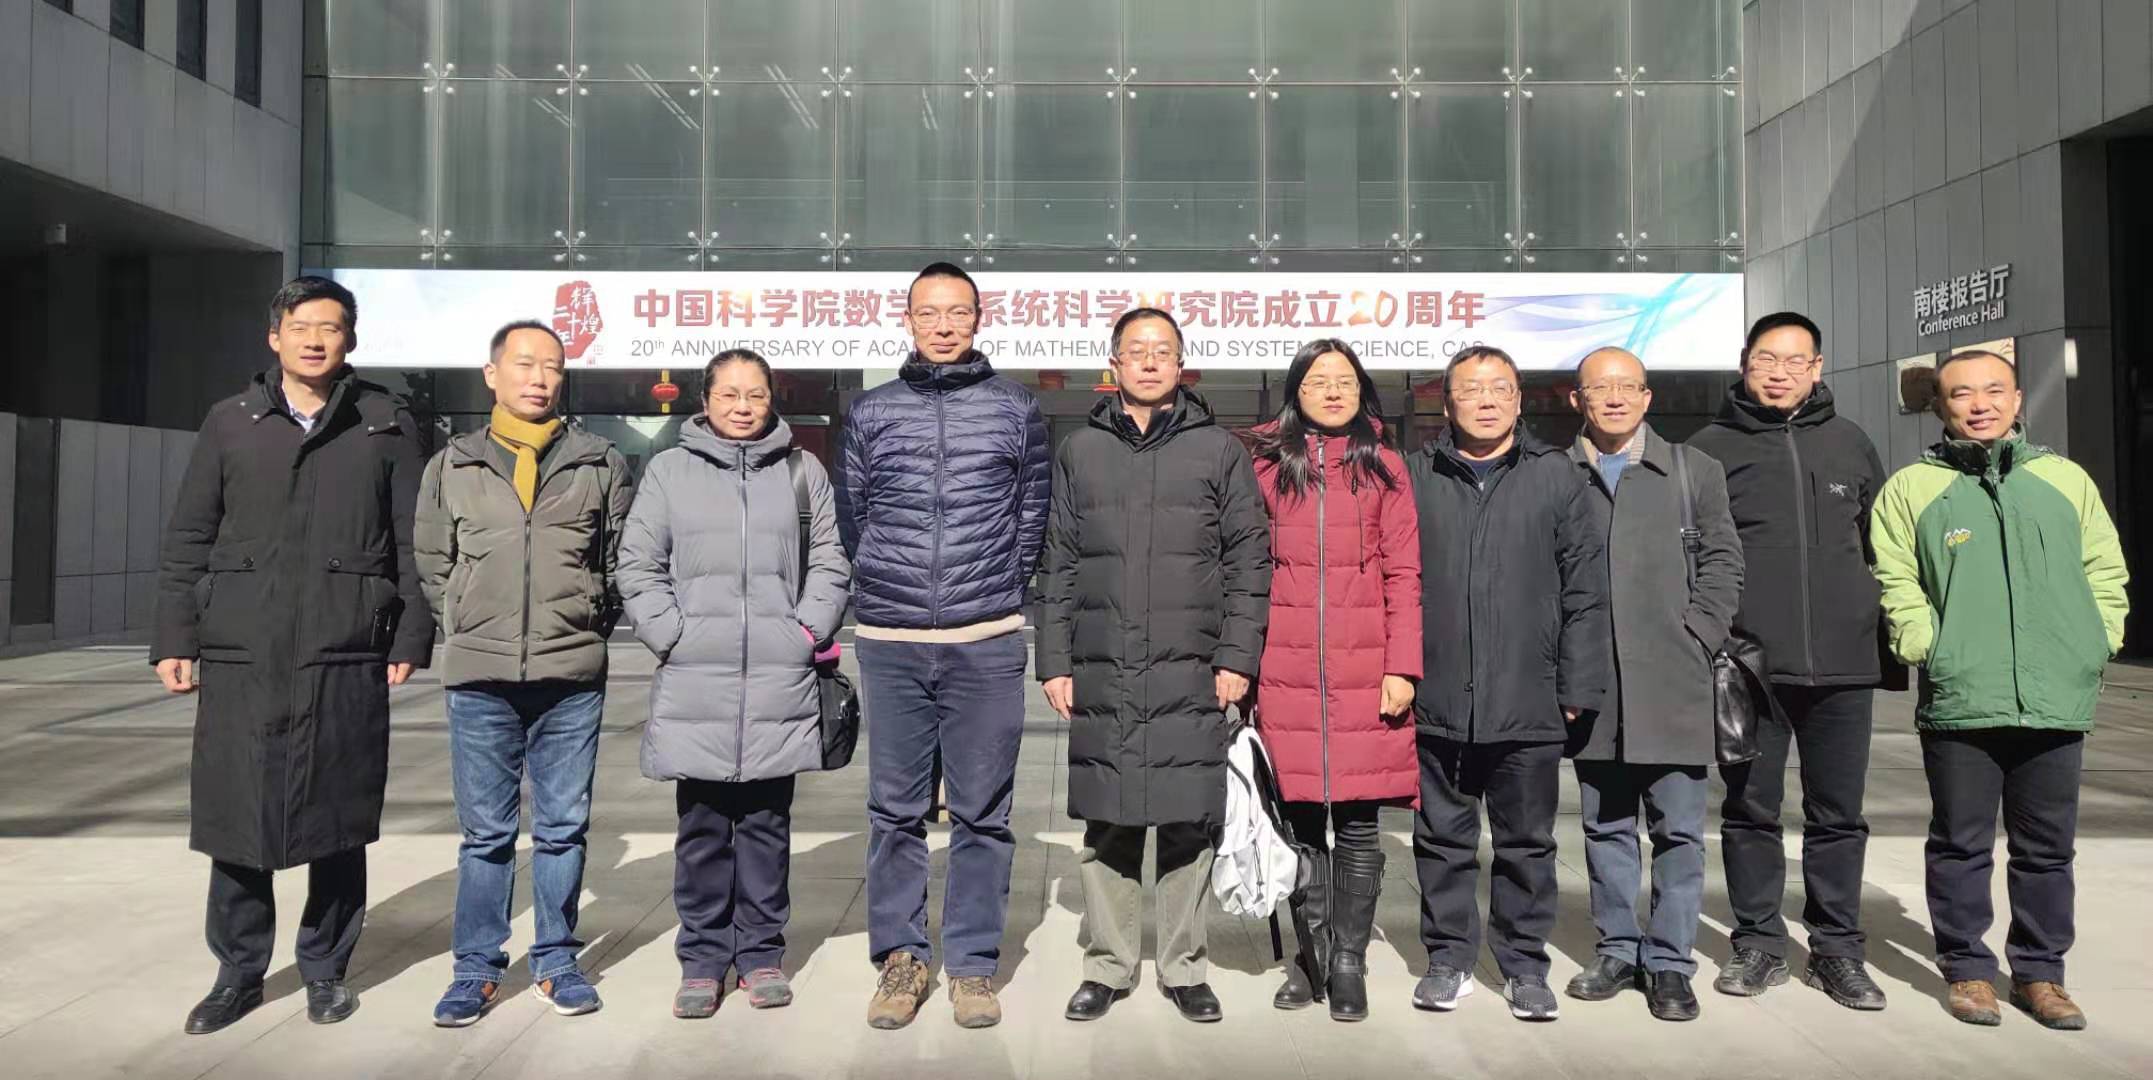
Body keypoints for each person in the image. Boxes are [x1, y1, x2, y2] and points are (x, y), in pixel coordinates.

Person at [152, 276, 435, 1034]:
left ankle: (325, 969)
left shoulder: (384, 422)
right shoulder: (231, 421)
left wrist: (411, 631)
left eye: (331, 327)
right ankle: (238, 973)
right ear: (274, 336)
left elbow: (412, 538)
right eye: (301, 325)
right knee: (237, 812)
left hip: (345, 644)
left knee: (338, 812)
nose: (315, 339)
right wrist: (176, 635)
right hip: (243, 645)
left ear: (351, 339)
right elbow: (189, 536)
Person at [1872, 349, 2129, 1031]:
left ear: (2016, 400)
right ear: (1939, 405)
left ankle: (2041, 974)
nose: (1979, 404)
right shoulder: (1911, 489)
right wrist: (1926, 645)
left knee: (2047, 848)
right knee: (1960, 843)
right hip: (1962, 694)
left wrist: (2096, 639)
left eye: (1993, 391)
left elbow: (2105, 568)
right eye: (1961, 393)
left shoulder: (2064, 480)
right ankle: (1968, 970)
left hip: (2055, 696)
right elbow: (1895, 577)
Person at [1037, 307, 1271, 1025]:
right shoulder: (1080, 450)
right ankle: (1107, 967)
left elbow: (1250, 560)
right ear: (1112, 363)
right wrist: (1054, 660)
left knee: (1185, 822)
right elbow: (1059, 560)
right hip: (1104, 665)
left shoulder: (1218, 450)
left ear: (1180, 364)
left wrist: (1237, 656)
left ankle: (1183, 967)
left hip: (1191, 668)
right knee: (1108, 825)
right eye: (1135, 350)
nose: (1147, 361)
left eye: (1161, 351)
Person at [835, 262, 1051, 1030]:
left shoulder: (1016, 409)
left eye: (957, 311)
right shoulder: (871, 412)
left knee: (982, 812)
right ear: (908, 320)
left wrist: (995, 589)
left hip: (983, 640)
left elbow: (1030, 514)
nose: (943, 324)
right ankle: (900, 959)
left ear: (978, 318)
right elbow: (854, 514)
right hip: (891, 639)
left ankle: (971, 964)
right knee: (894, 812)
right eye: (929, 312)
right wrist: (887, 586)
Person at [617, 349, 852, 1019]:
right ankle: (701, 960)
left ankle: (761, 954)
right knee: (701, 829)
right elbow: (638, 563)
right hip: (697, 676)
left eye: (755, 394)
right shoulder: (669, 470)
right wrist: (670, 634)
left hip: (779, 676)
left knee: (766, 828)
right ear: (706, 400)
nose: (743, 407)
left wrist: (806, 631)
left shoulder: (803, 471)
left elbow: (831, 559)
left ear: (772, 400)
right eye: (729, 394)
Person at [414, 320, 634, 1026]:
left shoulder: (599, 461)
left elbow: (615, 563)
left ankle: (556, 960)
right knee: (485, 834)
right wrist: (466, 622)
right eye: (524, 364)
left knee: (563, 827)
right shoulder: (453, 464)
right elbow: (433, 562)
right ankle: (476, 968)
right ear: (492, 374)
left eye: (552, 366)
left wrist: (586, 621)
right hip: (480, 677)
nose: (539, 378)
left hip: (570, 675)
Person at [1685, 311, 1893, 1009]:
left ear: (1817, 367)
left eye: (1794, 360)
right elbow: (1689, 557)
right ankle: (1758, 944)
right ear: (1744, 363)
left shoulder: (1850, 443)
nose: (1779, 372)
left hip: (1843, 664)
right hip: (1748, 666)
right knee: (1750, 810)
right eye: (1765, 359)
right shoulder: (1708, 450)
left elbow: (1881, 544)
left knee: (1838, 815)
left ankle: (1837, 951)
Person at [1406, 344, 1611, 1022]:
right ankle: (1448, 959)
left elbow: (1585, 590)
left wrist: (1577, 684)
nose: (1486, 400)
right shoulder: (1417, 475)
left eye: (1499, 388)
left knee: (1526, 844)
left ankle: (1524, 965)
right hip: (1437, 697)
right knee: (1443, 842)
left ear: (1519, 400)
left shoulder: (1556, 476)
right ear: (1447, 404)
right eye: (1471, 389)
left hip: (1530, 697)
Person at [1560, 348, 1742, 1022]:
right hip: (1594, 686)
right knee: (1605, 827)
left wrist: (1698, 635)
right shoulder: (1557, 473)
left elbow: (1723, 561)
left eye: (1626, 386)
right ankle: (1615, 947)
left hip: (1674, 680)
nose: (1614, 398)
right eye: (1599, 387)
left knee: (1679, 832)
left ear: (1646, 397)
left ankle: (1668, 961)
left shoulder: (1694, 469)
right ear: (1576, 400)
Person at [1246, 339, 1421, 1022]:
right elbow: (1243, 569)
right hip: (1283, 670)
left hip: (1364, 671)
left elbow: (1404, 571)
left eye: (1344, 379)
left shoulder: (1384, 466)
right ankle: (1308, 955)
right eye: (1318, 380)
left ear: (1361, 390)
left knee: (1356, 824)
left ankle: (1347, 959)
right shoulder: (1266, 465)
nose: (1332, 390)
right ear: (1296, 390)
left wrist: (1402, 666)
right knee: (1294, 823)